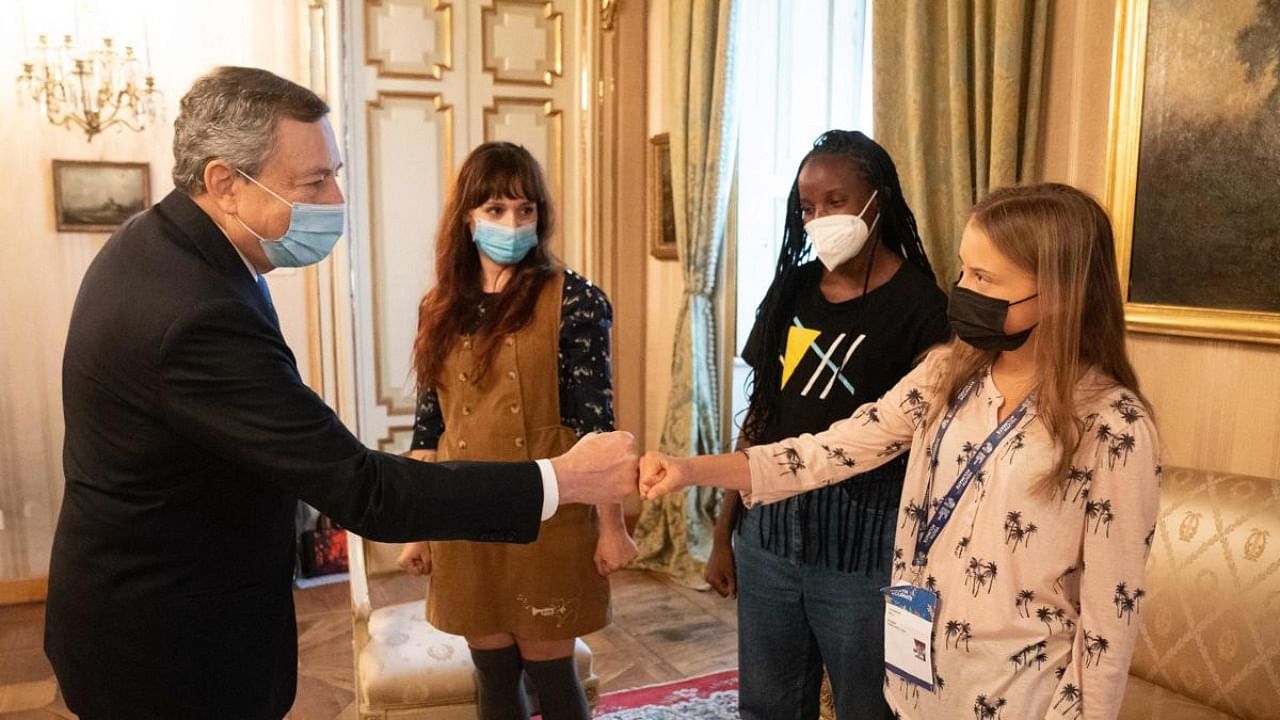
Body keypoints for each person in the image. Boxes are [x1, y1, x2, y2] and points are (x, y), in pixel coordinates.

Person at [46, 66, 638, 720]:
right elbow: (364, 489)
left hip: (156, 608)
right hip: (170, 650)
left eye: (336, 173)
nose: (335, 200)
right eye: (314, 181)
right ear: (225, 184)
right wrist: (559, 481)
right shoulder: (196, 309)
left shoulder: (158, 246)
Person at [641, 183, 1161, 720]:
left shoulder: (1113, 428)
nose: (962, 290)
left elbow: (1109, 620)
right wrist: (688, 469)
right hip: (918, 687)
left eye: (984, 279)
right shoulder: (945, 375)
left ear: (1058, 292)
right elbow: (830, 450)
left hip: (1021, 698)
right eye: (964, 271)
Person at [703, 130, 948, 719]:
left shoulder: (922, 306)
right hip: (769, 538)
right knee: (767, 705)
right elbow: (760, 416)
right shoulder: (790, 288)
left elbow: (925, 445)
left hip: (864, 549)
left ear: (877, 200)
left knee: (867, 706)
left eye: (835, 202)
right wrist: (723, 535)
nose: (818, 218)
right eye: (807, 207)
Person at [393, 142, 637, 720]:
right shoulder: (440, 307)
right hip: (464, 510)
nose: (512, 224)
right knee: (493, 670)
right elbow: (429, 430)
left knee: (551, 670)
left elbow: (596, 427)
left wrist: (613, 529)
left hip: (551, 516)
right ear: (468, 218)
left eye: (525, 211)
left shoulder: (574, 298)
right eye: (496, 210)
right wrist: (417, 530)